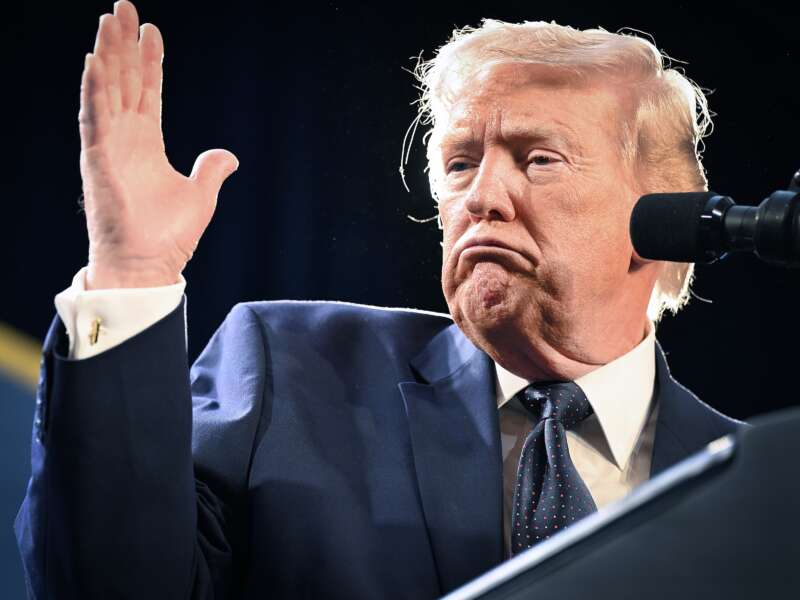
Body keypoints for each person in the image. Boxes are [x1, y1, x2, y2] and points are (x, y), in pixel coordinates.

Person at [15, 1, 747, 598]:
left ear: (665, 215)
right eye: (459, 163)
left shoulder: (756, 485)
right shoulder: (289, 371)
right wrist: (132, 269)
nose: (480, 197)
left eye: (538, 160)